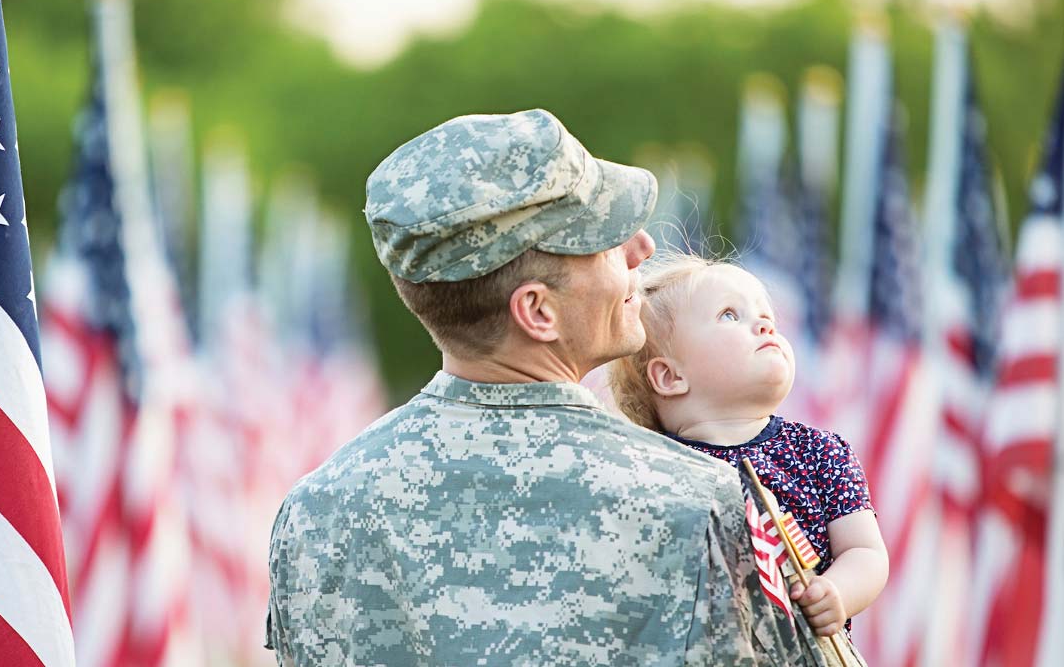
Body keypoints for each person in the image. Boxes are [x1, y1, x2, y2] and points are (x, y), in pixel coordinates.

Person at [265, 109, 827, 665]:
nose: (642, 250)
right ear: (537, 311)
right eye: (605, 241)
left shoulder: (316, 511)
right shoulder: (701, 502)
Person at [609, 252, 889, 639]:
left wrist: (837, 591)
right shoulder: (650, 470)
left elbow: (865, 553)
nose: (763, 325)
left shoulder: (820, 452)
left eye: (767, 317)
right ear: (670, 376)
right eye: (729, 315)